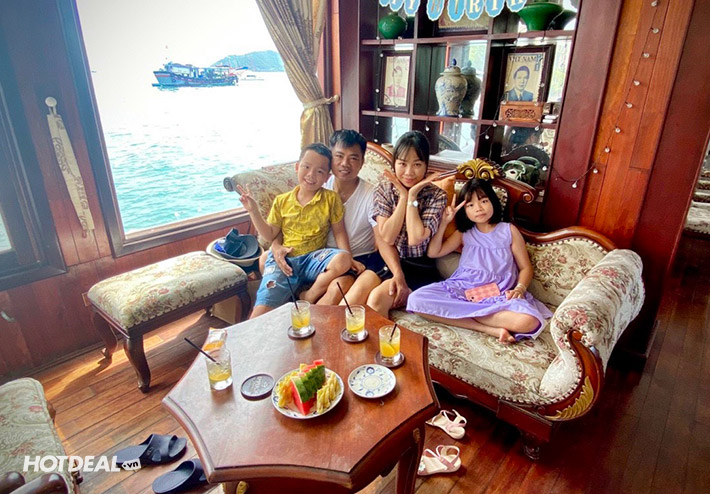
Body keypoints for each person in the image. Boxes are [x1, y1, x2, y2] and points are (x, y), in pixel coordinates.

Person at [406, 178, 552, 344]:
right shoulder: (464, 232)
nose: (479, 208)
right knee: (416, 300)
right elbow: (434, 252)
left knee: (529, 321)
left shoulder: (508, 230)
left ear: (493, 202)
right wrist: (444, 222)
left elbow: (525, 268)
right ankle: (487, 328)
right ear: (464, 210)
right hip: (463, 289)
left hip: (499, 293)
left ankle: (464, 312)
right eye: (471, 205)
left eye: (484, 201)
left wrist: (520, 288)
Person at [237, 143, 354, 319]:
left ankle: (308, 296)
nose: (311, 175)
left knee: (343, 258)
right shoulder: (281, 201)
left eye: (319, 171)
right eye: (306, 167)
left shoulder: (331, 199)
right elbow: (269, 234)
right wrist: (253, 210)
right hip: (285, 260)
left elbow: (339, 232)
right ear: (297, 167)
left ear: (327, 177)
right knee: (259, 313)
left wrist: (349, 258)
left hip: (314, 259)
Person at [366, 131, 448, 317]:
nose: (409, 172)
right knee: (354, 297)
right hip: (387, 260)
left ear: (426, 166)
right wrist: (403, 197)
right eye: (402, 163)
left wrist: (412, 197)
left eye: (417, 164)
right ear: (394, 163)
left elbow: (415, 238)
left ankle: (385, 338)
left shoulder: (437, 196)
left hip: (417, 267)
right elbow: (387, 237)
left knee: (376, 300)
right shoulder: (384, 189)